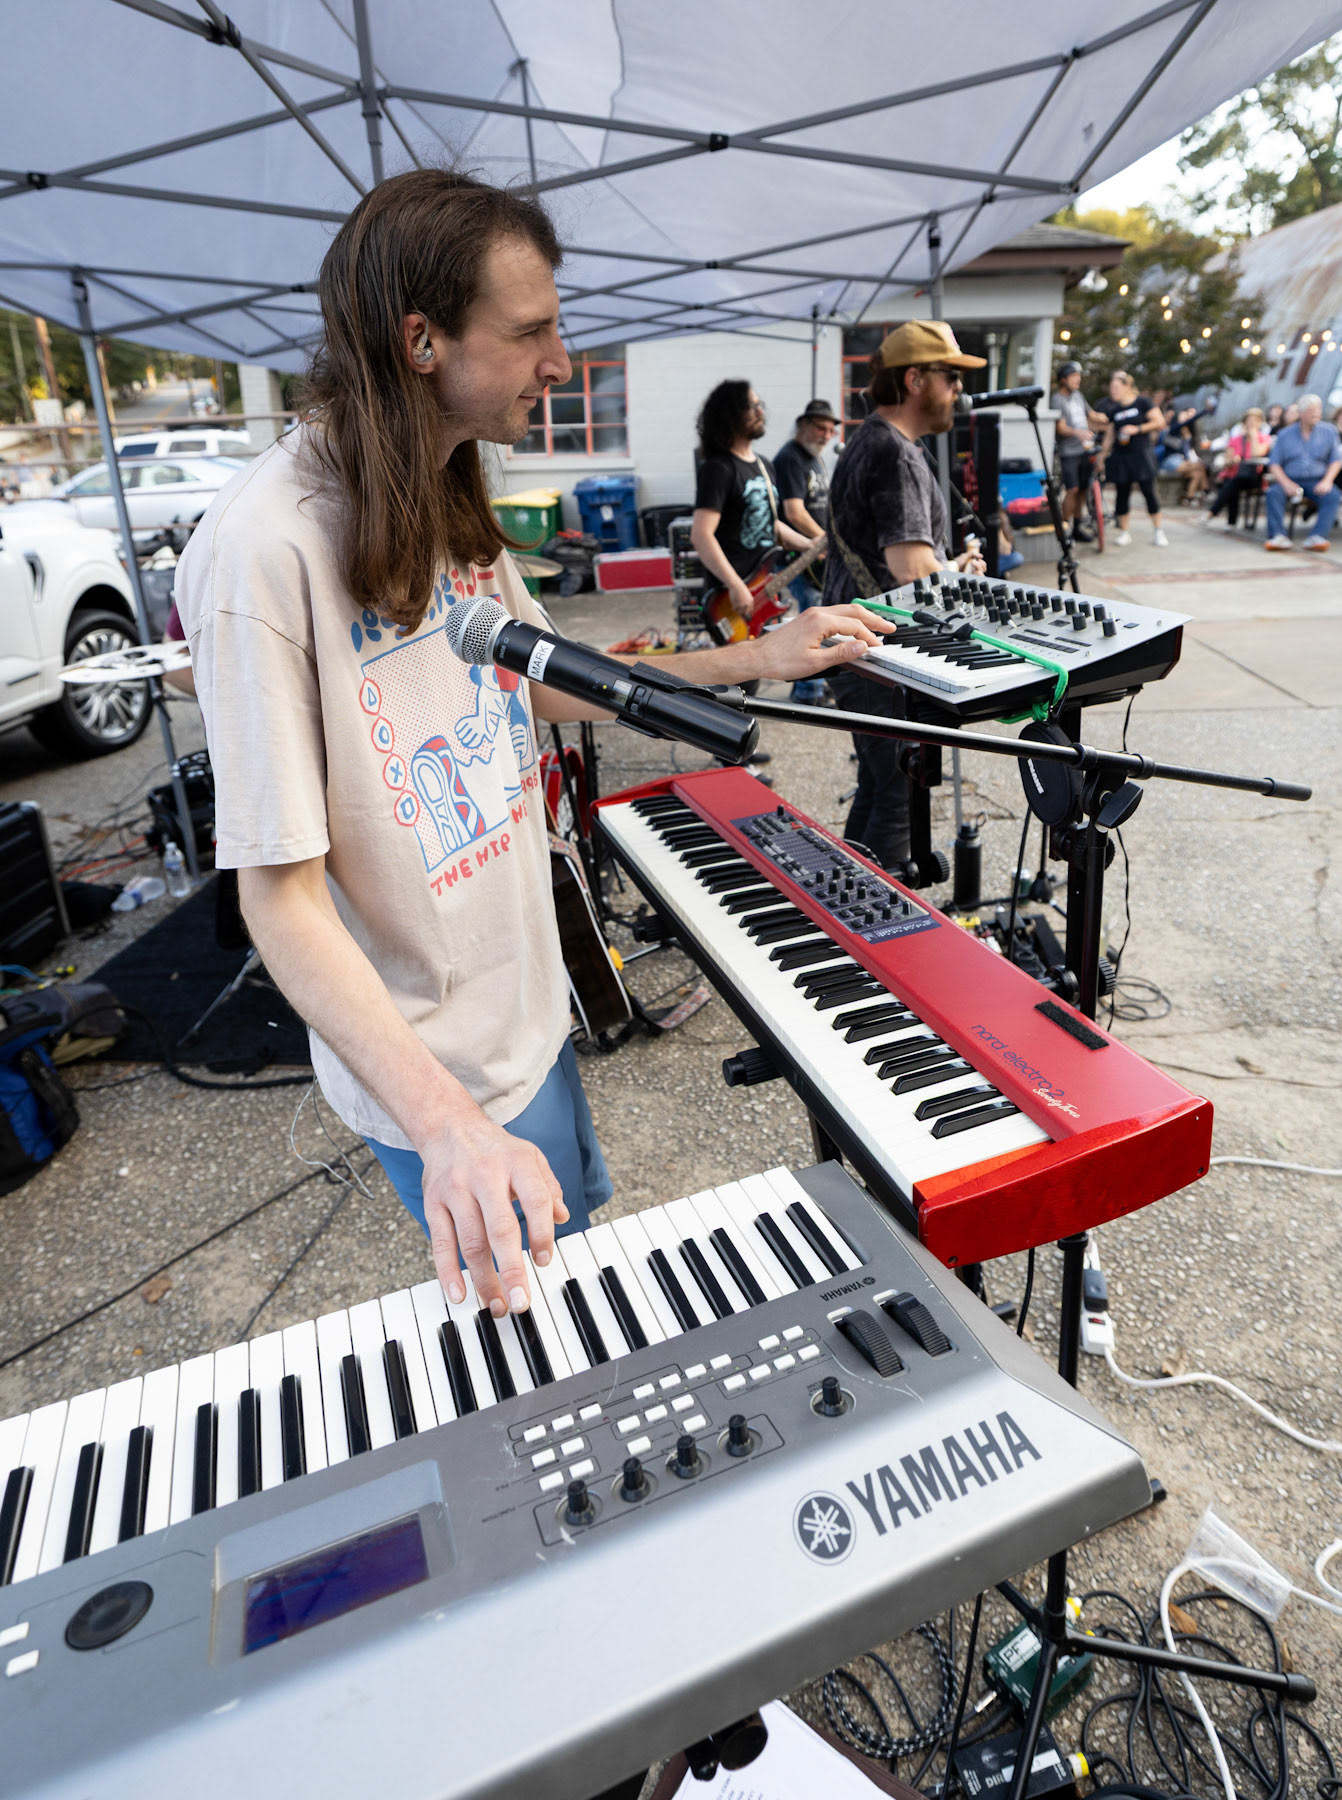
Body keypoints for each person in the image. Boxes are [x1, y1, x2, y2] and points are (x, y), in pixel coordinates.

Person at [176, 168, 889, 1323]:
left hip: (531, 1011)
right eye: (532, 330)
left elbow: (549, 683)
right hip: (438, 1077)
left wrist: (760, 657)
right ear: (421, 340)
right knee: (548, 1336)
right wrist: (447, 1123)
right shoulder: (260, 552)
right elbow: (281, 899)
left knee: (584, 1260)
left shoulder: (444, 492)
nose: (561, 359)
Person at [821, 319, 988, 873]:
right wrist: (956, 572)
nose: (958, 390)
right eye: (950, 377)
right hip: (876, 653)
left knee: (878, 783)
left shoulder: (867, 439)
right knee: (897, 794)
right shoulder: (895, 453)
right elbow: (911, 573)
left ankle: (845, 902)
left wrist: (950, 564)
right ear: (914, 379)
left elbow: (896, 559)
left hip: (855, 648)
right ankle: (883, 929)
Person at [691, 380, 815, 638]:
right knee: (742, 676)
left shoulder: (764, 465)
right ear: (731, 413)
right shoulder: (719, 468)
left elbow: (771, 523)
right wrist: (735, 585)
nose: (761, 412)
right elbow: (701, 535)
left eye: (760, 405)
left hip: (764, 588)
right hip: (731, 598)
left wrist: (810, 545)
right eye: (752, 406)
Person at [772, 398, 838, 702]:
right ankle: (806, 691)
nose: (826, 435)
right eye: (820, 428)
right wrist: (826, 539)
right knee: (810, 620)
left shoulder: (816, 457)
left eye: (830, 430)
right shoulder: (790, 458)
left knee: (819, 618)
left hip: (817, 554)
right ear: (803, 426)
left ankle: (815, 684)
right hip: (798, 558)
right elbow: (794, 512)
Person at [1264, 392, 1342, 552]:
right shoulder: (1284, 434)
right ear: (1301, 413)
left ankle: (1318, 536)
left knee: (1333, 495)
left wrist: (1327, 480)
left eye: (1319, 409)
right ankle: (1278, 536)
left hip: (1317, 480)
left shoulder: (1329, 431)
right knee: (1273, 493)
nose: (1316, 413)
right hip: (1290, 479)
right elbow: (1274, 464)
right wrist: (1286, 483)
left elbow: (1336, 460)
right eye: (1311, 409)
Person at [1096, 371, 1168, 546]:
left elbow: (1159, 422)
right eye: (1111, 388)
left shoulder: (1142, 402)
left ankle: (1158, 530)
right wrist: (1101, 457)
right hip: (1122, 456)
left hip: (1141, 453)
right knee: (1122, 494)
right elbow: (1110, 436)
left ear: (1127, 385)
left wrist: (1138, 429)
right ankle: (1125, 532)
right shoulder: (1114, 410)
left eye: (1116, 387)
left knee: (1149, 492)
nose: (1113, 391)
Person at [1049, 361, 1100, 541]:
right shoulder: (1057, 399)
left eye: (1079, 376)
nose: (1078, 380)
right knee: (1072, 489)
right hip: (1068, 451)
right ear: (1063, 380)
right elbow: (1061, 428)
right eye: (1073, 376)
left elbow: (1092, 415)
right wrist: (1078, 432)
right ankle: (1063, 530)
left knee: (1082, 491)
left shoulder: (1078, 396)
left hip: (1085, 449)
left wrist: (1111, 417)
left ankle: (1077, 527)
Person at [1202, 406, 1270, 529]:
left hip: (1255, 477)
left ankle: (1214, 513)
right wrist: (1233, 460)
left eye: (1255, 421)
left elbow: (1257, 453)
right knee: (1233, 482)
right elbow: (1227, 461)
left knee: (1233, 482)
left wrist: (1254, 435)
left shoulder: (1264, 438)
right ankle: (1229, 522)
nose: (1252, 424)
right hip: (1235, 474)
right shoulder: (1235, 439)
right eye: (1249, 421)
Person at [1156, 401, 1210, 504]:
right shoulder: (1174, 429)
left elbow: (1187, 450)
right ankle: (1205, 490)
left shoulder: (1186, 432)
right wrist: (1205, 411)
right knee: (1200, 466)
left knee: (1197, 473)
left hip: (1180, 460)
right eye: (1183, 416)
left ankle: (1189, 498)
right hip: (1170, 461)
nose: (1186, 418)